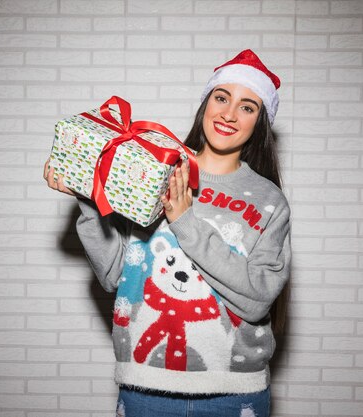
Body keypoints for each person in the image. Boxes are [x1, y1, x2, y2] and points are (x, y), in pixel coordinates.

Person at [44, 49, 291, 417]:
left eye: (247, 106)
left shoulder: (269, 201)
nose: (228, 113)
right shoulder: (153, 170)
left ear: (260, 121)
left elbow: (258, 299)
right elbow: (112, 276)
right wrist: (88, 194)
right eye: (222, 98)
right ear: (205, 103)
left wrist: (185, 221)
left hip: (232, 392)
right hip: (146, 386)